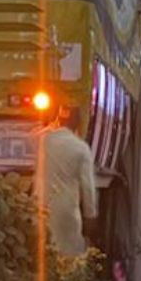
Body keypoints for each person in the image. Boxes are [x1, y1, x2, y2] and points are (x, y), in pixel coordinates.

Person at [36, 106, 98, 255]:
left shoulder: (44, 141)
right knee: (69, 252)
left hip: (42, 206)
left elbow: (34, 134)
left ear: (59, 119)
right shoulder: (81, 148)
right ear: (78, 123)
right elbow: (88, 187)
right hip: (67, 209)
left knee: (44, 250)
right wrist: (90, 215)